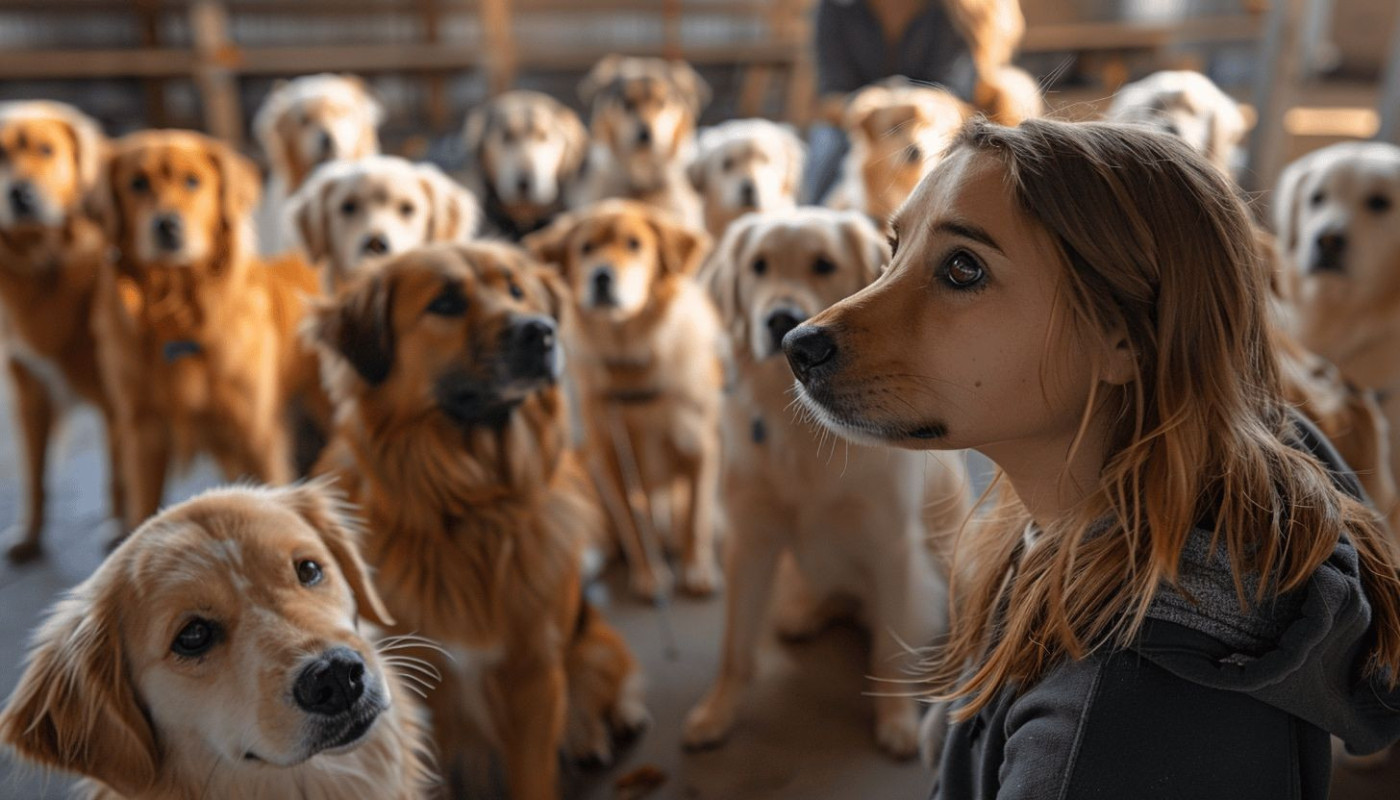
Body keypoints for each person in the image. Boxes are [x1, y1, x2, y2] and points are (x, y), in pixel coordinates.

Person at [781, 118, 1400, 798]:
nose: (822, 329)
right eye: (892, 254)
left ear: (1123, 339)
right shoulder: (1225, 469)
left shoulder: (1106, 742)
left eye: (962, 269)